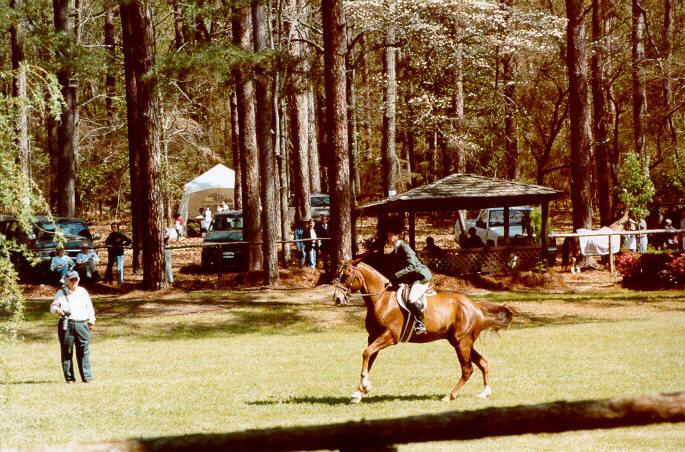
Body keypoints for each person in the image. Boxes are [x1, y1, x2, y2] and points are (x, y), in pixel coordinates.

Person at [384, 217, 432, 335]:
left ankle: (420, 323)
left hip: (421, 277)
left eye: (390, 236)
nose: (388, 238)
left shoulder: (405, 247)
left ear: (396, 236)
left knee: (411, 299)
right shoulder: (396, 249)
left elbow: (411, 267)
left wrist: (395, 276)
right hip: (411, 279)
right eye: (388, 236)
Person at [50, 270, 95, 383]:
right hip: (67, 324)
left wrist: (91, 321)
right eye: (71, 279)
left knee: (84, 351)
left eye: (75, 279)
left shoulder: (83, 292)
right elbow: (53, 307)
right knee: (66, 352)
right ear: (66, 280)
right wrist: (57, 310)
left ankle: (87, 378)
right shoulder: (60, 292)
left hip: (82, 324)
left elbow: (90, 308)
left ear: (78, 279)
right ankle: (69, 378)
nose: (74, 281)